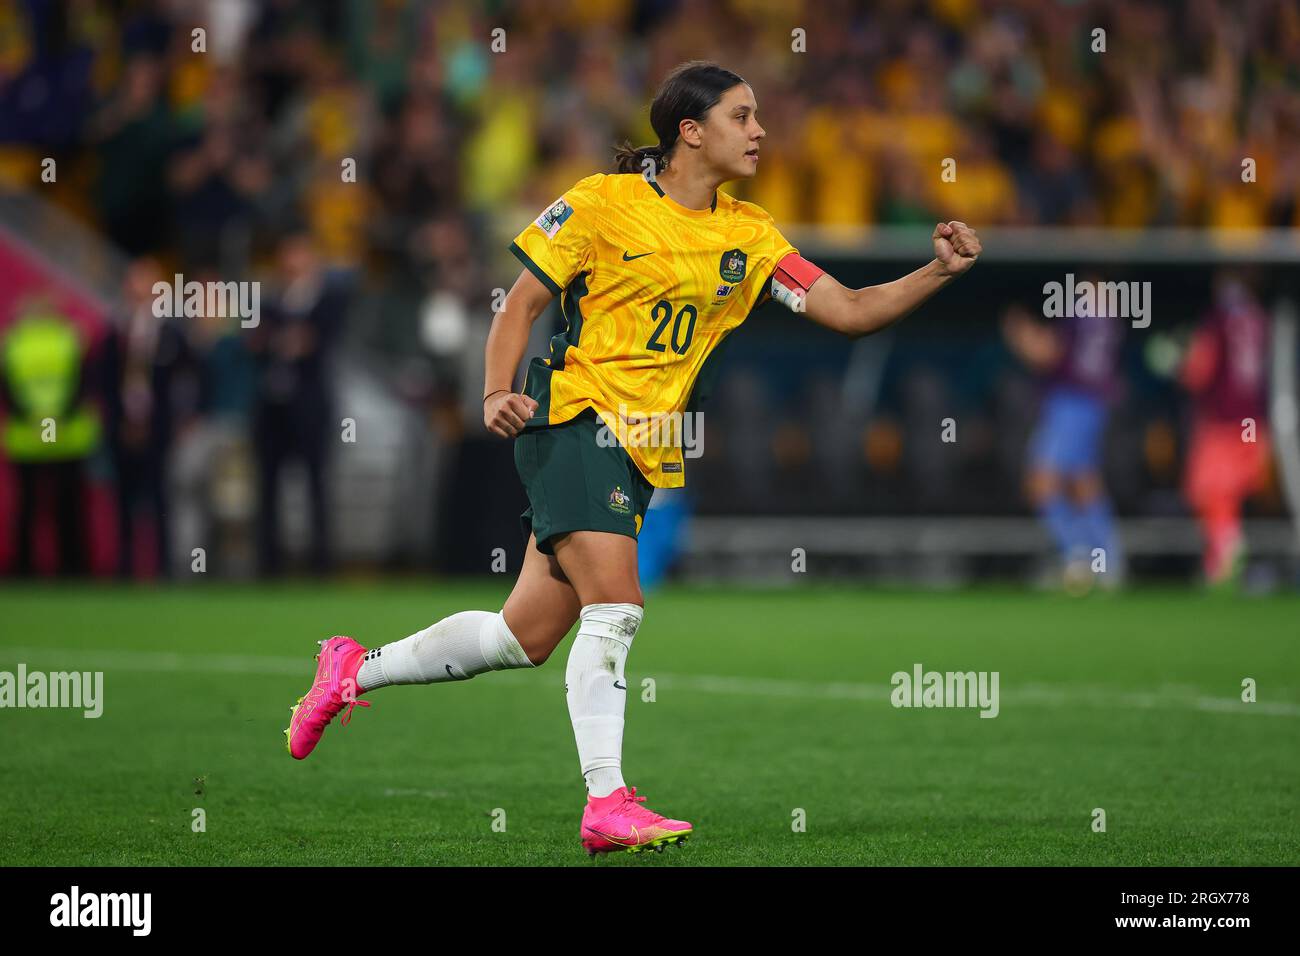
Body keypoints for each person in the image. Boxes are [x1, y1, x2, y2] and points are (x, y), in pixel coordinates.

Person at [283, 61, 981, 855]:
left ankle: (349, 670)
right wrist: (491, 393)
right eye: (742, 116)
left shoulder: (749, 235)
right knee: (617, 605)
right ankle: (606, 803)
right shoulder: (600, 203)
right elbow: (522, 303)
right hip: (575, 420)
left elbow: (850, 311)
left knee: (525, 637)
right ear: (691, 130)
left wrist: (938, 271)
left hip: (644, 451)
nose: (759, 131)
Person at [1002, 286, 1124, 592]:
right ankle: (1107, 563)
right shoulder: (1108, 313)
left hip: (1070, 401)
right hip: (1094, 403)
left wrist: (1021, 336)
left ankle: (1079, 556)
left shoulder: (1080, 311)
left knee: (1040, 481)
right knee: (1083, 482)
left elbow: (1048, 354)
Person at [1180, 273, 1271, 585]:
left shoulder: (1218, 319)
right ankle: (1220, 560)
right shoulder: (1259, 317)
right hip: (1251, 420)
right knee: (1229, 492)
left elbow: (1197, 371)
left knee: (1205, 489)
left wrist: (1176, 363)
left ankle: (1227, 544)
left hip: (1222, 418)